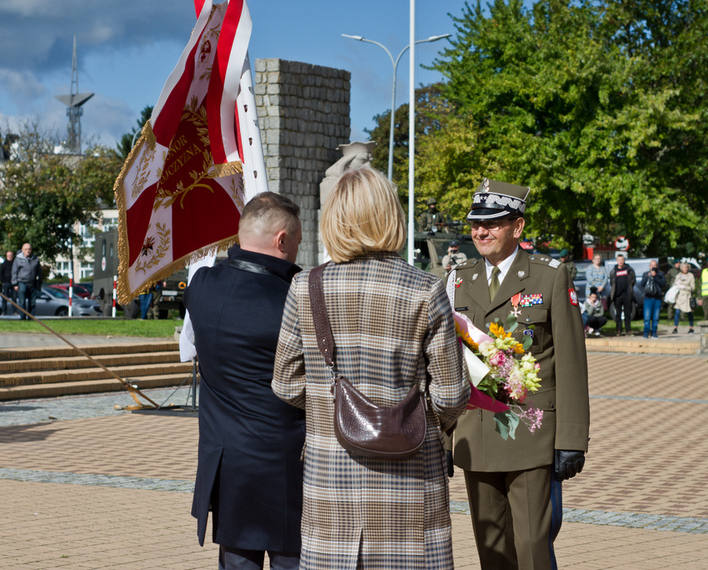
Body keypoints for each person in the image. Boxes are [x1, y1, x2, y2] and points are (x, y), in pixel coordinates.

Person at [272, 168, 470, 569]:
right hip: (410, 483)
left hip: (331, 483)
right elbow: (451, 395)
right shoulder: (425, 288)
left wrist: (331, 409)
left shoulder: (305, 286)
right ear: (390, 216)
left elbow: (284, 384)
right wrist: (416, 415)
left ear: (334, 220)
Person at [446, 178, 590, 569]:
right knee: (490, 548)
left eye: (492, 223)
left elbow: (572, 362)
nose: (481, 231)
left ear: (518, 227)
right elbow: (444, 363)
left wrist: (572, 438)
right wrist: (443, 438)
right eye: (476, 223)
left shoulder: (550, 276)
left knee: (531, 548)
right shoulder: (457, 280)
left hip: (531, 432)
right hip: (475, 434)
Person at [186, 192, 305, 570]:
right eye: (297, 243)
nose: (298, 253)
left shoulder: (201, 287)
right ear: (282, 239)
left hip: (227, 462)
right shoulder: (296, 298)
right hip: (286, 464)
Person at [13, 243, 42, 319]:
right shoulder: (18, 259)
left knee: (32, 303)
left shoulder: (35, 259)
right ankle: (22, 318)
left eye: (29, 249)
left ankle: (30, 318)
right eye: (26, 249)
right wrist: (15, 284)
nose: (27, 251)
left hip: (32, 283)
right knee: (22, 302)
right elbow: (14, 272)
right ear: (22, 250)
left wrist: (39, 282)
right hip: (22, 282)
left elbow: (39, 272)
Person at [609, 254, 636, 336]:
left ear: (624, 260)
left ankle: (628, 330)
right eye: (619, 260)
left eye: (622, 260)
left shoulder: (629, 269)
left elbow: (633, 280)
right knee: (618, 314)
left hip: (627, 295)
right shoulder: (614, 271)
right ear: (617, 261)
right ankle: (618, 330)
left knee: (628, 314)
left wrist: (630, 290)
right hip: (617, 296)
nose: (620, 261)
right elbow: (612, 282)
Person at [640, 259, 666, 339]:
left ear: (657, 266)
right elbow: (642, 284)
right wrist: (648, 276)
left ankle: (654, 333)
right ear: (649, 266)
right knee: (647, 317)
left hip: (657, 298)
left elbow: (663, 284)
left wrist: (655, 277)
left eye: (655, 265)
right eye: (652, 265)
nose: (653, 267)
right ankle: (646, 333)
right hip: (648, 298)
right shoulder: (645, 274)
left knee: (656, 318)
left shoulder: (660, 274)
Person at [672, 262, 696, 334]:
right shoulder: (678, 276)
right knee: (677, 312)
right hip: (679, 297)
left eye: (686, 267)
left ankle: (691, 327)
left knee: (689, 312)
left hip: (687, 296)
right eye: (684, 267)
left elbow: (693, 288)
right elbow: (674, 285)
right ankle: (675, 327)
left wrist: (685, 287)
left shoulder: (690, 276)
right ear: (681, 268)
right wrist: (677, 284)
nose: (685, 269)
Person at [0, 251, 15, 315]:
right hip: (6, 283)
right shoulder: (4, 264)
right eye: (8, 255)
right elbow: (0, 273)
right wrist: (3, 282)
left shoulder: (15, 264)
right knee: (4, 298)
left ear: (12, 256)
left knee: (14, 298)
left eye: (11, 255)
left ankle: (14, 312)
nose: (9, 257)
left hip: (14, 283)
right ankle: (4, 312)